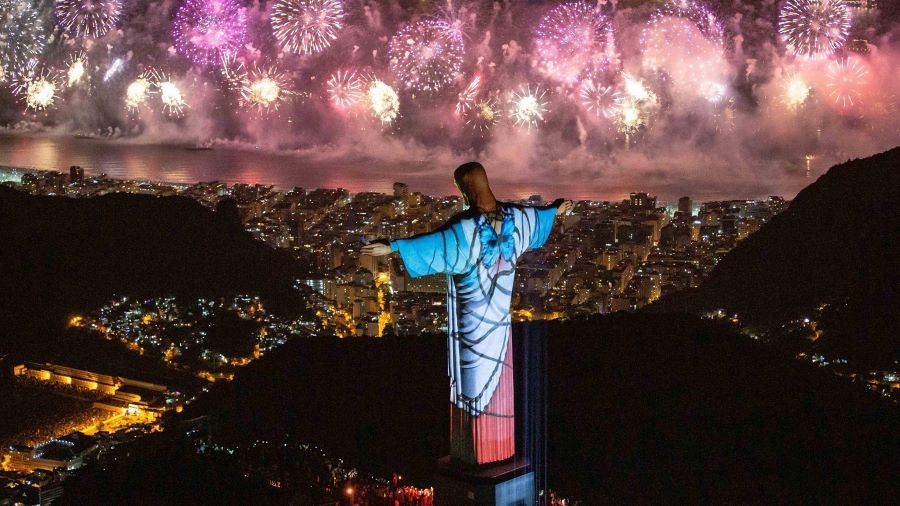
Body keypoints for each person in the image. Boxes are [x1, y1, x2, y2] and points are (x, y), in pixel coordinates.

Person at [362, 162, 572, 466]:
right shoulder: (516, 218)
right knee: (500, 380)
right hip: (501, 327)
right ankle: (499, 452)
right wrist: (556, 209)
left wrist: (392, 246)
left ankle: (476, 455)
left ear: (466, 189)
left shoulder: (466, 229)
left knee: (471, 388)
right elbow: (540, 218)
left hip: (471, 326)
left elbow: (433, 245)